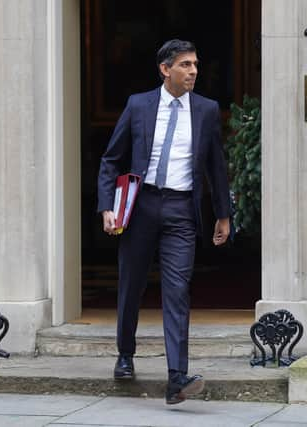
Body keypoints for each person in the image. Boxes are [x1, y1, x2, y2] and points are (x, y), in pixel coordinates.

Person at [97, 39, 230, 405]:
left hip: (181, 211)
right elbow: (111, 159)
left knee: (177, 291)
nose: (193, 72)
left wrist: (223, 214)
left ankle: (177, 377)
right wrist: (107, 206)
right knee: (132, 285)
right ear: (165, 69)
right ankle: (125, 354)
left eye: (196, 65)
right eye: (185, 65)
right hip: (140, 207)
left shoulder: (205, 110)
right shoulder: (139, 105)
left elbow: (216, 167)